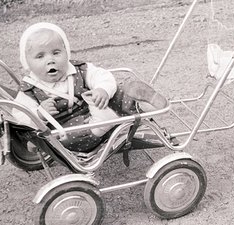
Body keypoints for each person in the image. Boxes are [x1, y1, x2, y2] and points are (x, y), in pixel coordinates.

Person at [15, 22, 165, 152]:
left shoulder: (80, 69)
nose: (50, 60)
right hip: (73, 125)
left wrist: (102, 90)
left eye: (56, 53)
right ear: (27, 63)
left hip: (97, 105)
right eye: (40, 56)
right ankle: (103, 123)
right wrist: (39, 114)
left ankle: (137, 99)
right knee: (63, 138)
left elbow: (103, 76)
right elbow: (20, 117)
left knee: (115, 92)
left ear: (66, 53)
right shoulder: (29, 90)